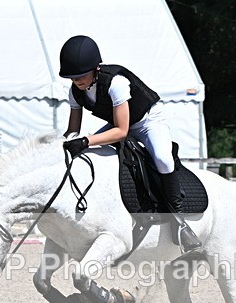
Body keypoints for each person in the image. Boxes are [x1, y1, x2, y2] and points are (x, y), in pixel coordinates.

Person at [59, 35, 201, 253]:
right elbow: (72, 131)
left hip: (147, 121)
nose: (77, 81)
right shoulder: (75, 92)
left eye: (81, 75)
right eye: (72, 77)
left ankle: (180, 222)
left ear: (95, 69)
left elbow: (122, 132)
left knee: (163, 159)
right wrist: (65, 144)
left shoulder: (116, 83)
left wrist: (87, 140)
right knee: (88, 154)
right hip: (119, 123)